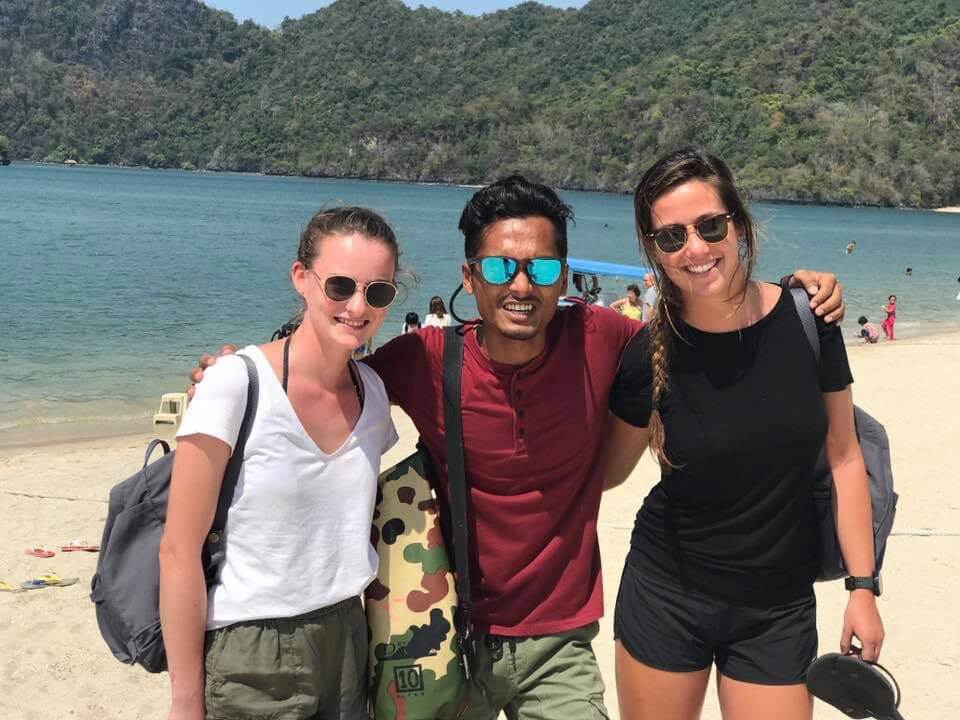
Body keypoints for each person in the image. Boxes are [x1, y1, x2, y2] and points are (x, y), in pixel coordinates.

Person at [189, 176, 846, 720]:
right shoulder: (423, 360)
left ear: (564, 276)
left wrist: (790, 293)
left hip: (560, 642)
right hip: (444, 636)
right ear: (470, 275)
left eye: (543, 267)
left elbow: (705, 318)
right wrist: (240, 368)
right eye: (501, 267)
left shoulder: (605, 338)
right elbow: (326, 369)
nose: (522, 286)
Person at [602, 148, 883, 720]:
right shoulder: (647, 355)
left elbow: (844, 456)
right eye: (671, 237)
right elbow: (605, 473)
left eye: (709, 226)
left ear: (739, 223)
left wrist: (862, 587)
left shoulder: (810, 319)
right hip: (666, 593)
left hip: (778, 607)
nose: (695, 249)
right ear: (653, 250)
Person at [161, 207, 400, 720]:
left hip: (348, 639)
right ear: (301, 278)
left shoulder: (373, 395)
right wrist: (185, 701)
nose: (358, 306)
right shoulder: (234, 382)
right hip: (252, 648)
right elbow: (178, 551)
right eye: (340, 286)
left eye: (378, 292)